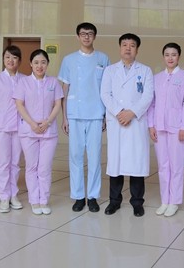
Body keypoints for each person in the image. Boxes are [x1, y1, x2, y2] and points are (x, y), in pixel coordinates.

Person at [58, 22, 110, 213]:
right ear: (78, 36)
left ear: (94, 36)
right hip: (75, 113)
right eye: (83, 33)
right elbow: (64, 90)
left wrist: (105, 116)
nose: (86, 37)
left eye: (90, 33)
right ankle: (79, 196)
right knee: (75, 156)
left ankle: (93, 196)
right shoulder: (69, 60)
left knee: (95, 157)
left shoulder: (103, 58)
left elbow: (107, 89)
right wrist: (64, 117)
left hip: (96, 113)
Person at [100, 33, 154, 217]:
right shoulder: (110, 70)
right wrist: (119, 112)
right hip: (117, 121)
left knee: (136, 163)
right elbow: (105, 94)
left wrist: (131, 113)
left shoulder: (145, 71)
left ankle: (137, 202)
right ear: (120, 48)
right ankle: (114, 201)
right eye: (124, 44)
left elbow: (148, 96)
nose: (128, 48)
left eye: (132, 45)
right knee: (116, 163)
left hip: (135, 121)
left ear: (137, 49)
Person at [14, 49, 63, 215]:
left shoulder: (53, 82)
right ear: (30, 64)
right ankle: (34, 201)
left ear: (47, 64)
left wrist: (47, 121)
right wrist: (32, 123)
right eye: (36, 62)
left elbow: (57, 104)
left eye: (43, 62)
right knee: (31, 167)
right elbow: (19, 104)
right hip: (28, 131)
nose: (39, 66)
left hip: (49, 132)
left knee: (44, 168)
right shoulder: (24, 82)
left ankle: (44, 200)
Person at [148, 43, 184, 217]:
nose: (170, 58)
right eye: (167, 54)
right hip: (159, 127)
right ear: (163, 57)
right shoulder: (157, 78)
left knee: (176, 166)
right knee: (162, 165)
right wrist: (151, 125)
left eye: (173, 54)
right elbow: (152, 104)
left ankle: (174, 201)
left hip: (177, 129)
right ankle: (164, 200)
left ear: (179, 56)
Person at [0, 45, 25, 213]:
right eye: (7, 57)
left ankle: (13, 195)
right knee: (3, 163)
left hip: (20, 127)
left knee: (15, 163)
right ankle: (4, 197)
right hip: (0, 126)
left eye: (14, 57)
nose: (10, 60)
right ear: (3, 59)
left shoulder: (25, 80)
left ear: (19, 61)